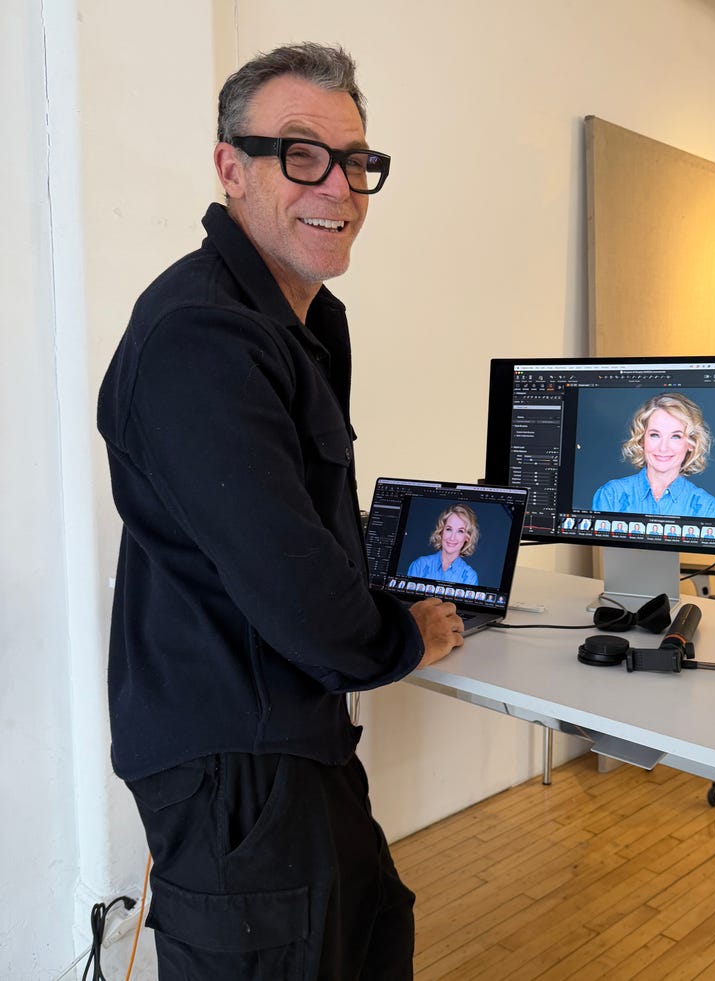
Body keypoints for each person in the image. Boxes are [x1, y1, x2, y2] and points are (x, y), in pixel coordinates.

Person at [96, 43, 464, 980]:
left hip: (291, 730)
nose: (338, 186)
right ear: (231, 168)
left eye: (355, 161)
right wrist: (404, 635)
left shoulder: (300, 320)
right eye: (302, 154)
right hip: (237, 760)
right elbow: (295, 586)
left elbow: (290, 524)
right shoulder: (202, 334)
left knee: (371, 931)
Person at [591, 393, 715, 518]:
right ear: (642, 439)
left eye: (676, 436)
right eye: (655, 435)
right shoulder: (611, 495)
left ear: (691, 443)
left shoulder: (706, 507)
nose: (663, 448)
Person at [407, 503, 480, 585]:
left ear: (467, 537)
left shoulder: (470, 577)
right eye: (449, 529)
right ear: (441, 531)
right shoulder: (420, 565)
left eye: (460, 531)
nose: (452, 538)